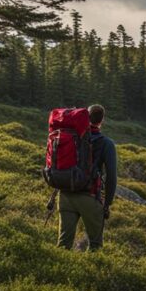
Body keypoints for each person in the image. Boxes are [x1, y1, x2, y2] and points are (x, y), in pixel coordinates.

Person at [57, 104, 117, 251]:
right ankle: (92, 272)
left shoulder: (72, 137)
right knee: (95, 246)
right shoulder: (106, 144)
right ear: (102, 120)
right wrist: (107, 204)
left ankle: (58, 272)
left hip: (65, 194)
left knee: (63, 244)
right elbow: (111, 176)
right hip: (89, 196)